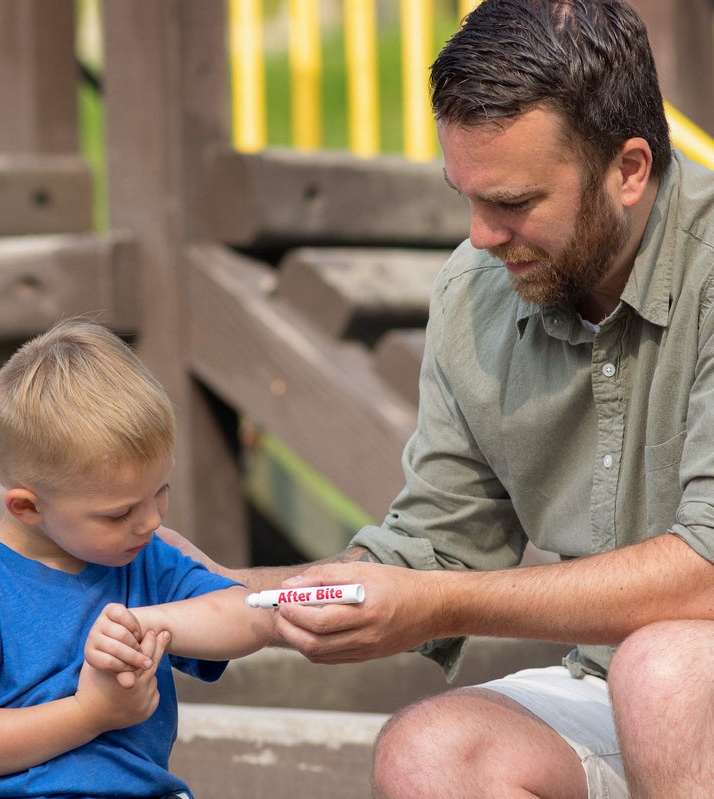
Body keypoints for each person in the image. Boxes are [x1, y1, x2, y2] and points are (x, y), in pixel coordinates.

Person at [159, 0, 714, 796]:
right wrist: (238, 594)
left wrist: (436, 601)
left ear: (629, 170)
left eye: (514, 204)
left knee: (663, 669)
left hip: (677, 680)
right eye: (467, 196)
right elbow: (436, 547)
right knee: (428, 752)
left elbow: (705, 574)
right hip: (624, 686)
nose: (482, 235)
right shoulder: (474, 288)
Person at [0, 319, 274, 799]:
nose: (150, 521)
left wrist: (141, 622)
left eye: (160, 491)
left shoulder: (145, 560)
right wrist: (89, 714)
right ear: (28, 506)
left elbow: (251, 617)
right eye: (119, 512)